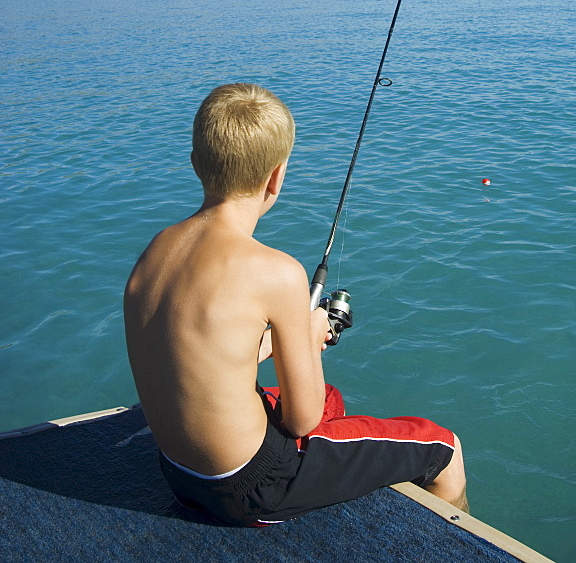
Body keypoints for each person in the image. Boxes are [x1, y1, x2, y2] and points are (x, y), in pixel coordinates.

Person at [124, 83, 467, 526]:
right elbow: (301, 421)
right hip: (252, 488)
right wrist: (306, 336)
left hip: (179, 474)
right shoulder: (277, 272)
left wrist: (280, 342)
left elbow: (201, 349)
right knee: (443, 448)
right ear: (276, 177)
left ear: (195, 165)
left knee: (331, 400)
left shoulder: (156, 251)